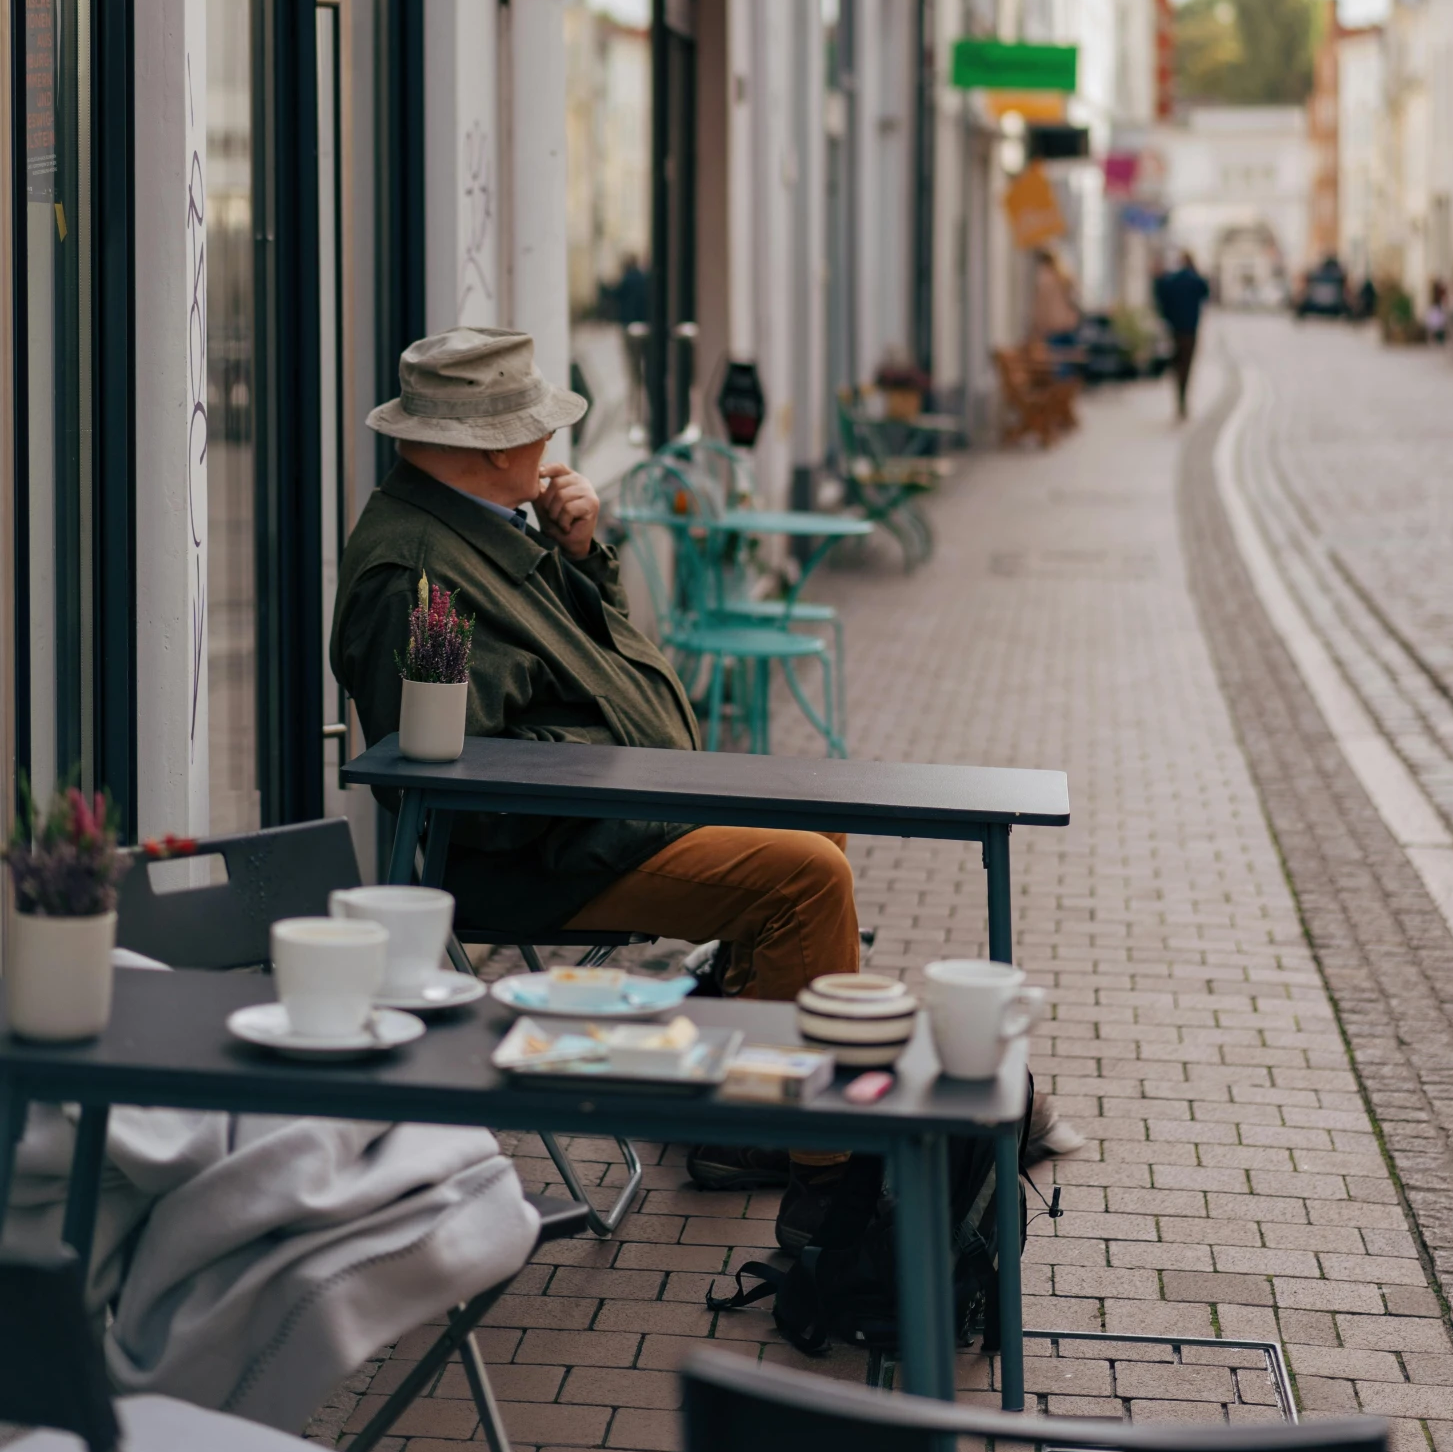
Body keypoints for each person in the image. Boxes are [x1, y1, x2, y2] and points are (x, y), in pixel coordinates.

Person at [333, 330, 1080, 1246]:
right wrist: (620, 762)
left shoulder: (481, 531)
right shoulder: (416, 571)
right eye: (538, 431)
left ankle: (747, 1108)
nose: (549, 449)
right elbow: (468, 781)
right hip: (549, 853)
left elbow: (584, 666)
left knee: (817, 828)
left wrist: (580, 554)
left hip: (610, 812)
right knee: (804, 876)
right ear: (494, 445)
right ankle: (829, 1179)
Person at [1153, 251, 1210, 419]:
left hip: (1175, 329)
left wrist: (1167, 317)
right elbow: (1206, 293)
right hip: (1190, 330)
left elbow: (1161, 296)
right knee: (1186, 365)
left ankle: (1180, 398)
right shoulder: (1195, 280)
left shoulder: (1172, 280)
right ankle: (1183, 398)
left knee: (1178, 365)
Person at [1031, 249, 1081, 350]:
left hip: (1052, 329)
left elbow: (1041, 310)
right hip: (1068, 327)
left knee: (1056, 362)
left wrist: (1035, 330)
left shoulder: (1043, 279)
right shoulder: (1063, 276)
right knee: (1069, 361)